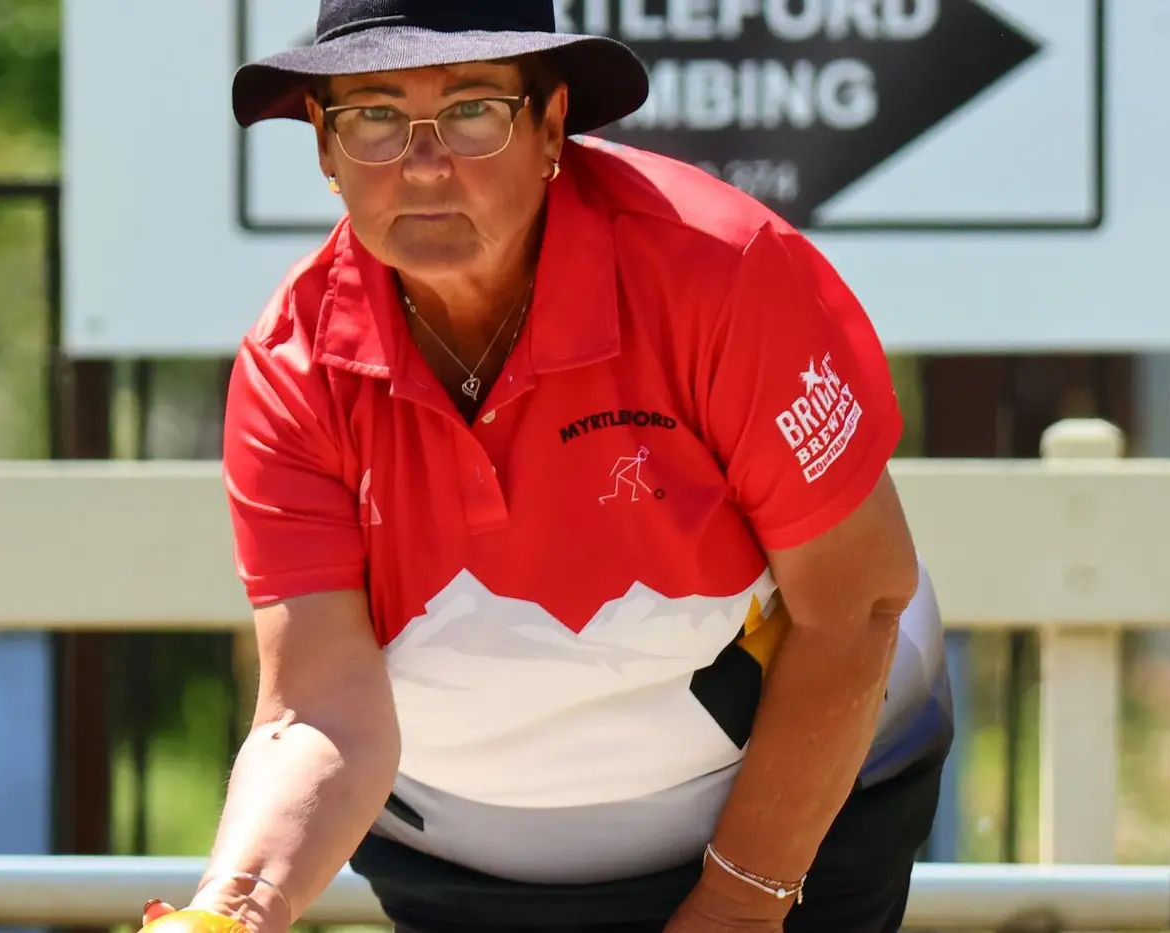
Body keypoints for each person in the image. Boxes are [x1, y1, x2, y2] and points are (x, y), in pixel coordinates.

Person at [142, 2, 953, 931]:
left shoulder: (722, 273)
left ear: (552, 126)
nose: (424, 161)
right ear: (325, 150)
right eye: (372, 114)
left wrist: (735, 905)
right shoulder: (291, 361)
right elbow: (318, 709)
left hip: (790, 834)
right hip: (457, 856)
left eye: (473, 108)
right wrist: (228, 914)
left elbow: (858, 605)